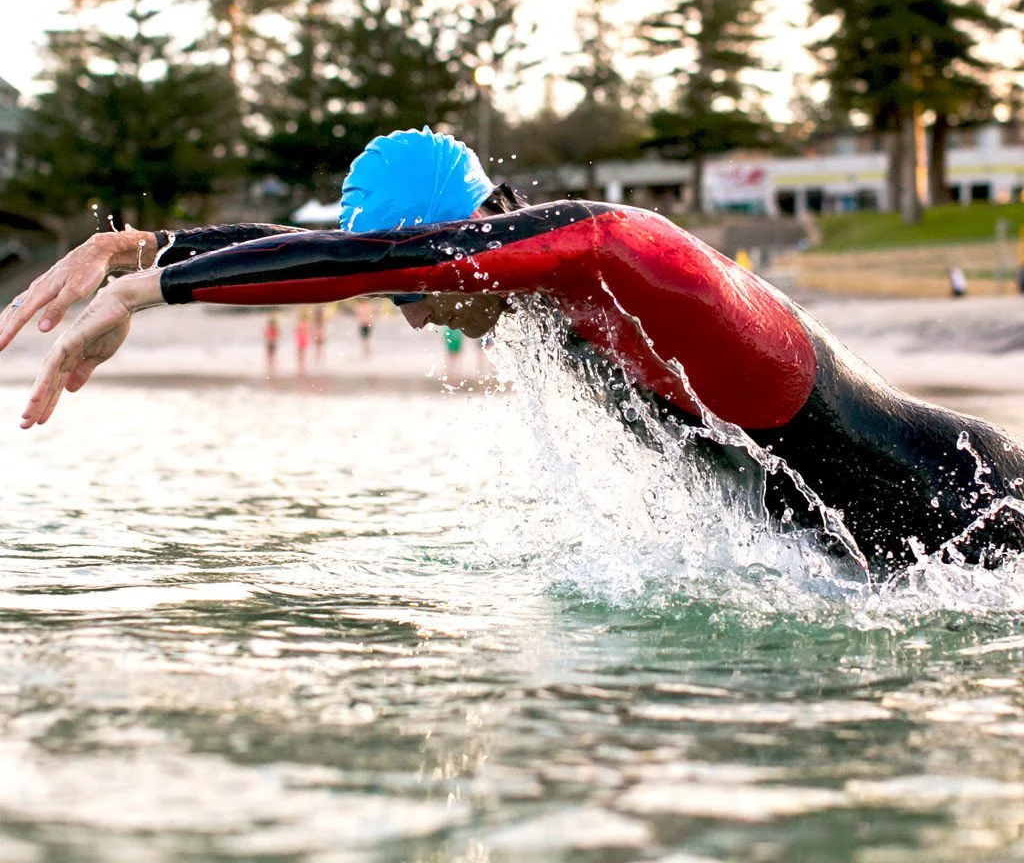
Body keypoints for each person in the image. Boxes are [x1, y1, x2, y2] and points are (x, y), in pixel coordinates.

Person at [4, 127, 1024, 578]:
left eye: (414, 287)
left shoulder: (607, 245)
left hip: (966, 506)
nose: (414, 315)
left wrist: (149, 288)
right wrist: (145, 247)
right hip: (867, 563)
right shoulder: (547, 302)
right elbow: (348, 255)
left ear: (476, 229)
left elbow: (377, 260)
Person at [263, 312, 280, 377]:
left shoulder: (272, 328)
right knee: (271, 355)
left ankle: (271, 367)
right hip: (271, 342)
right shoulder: (272, 328)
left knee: (271, 355)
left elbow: (266, 335)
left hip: (271, 342)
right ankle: (271, 367)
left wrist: (271, 339)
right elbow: (266, 335)